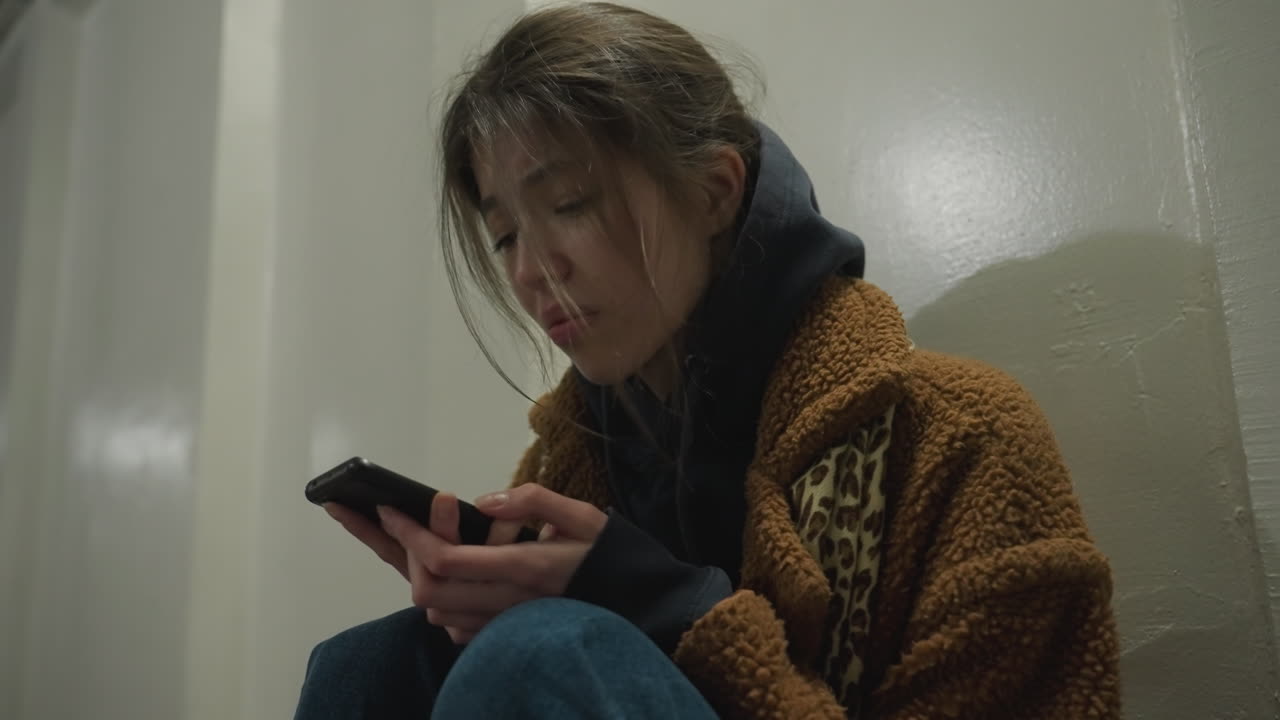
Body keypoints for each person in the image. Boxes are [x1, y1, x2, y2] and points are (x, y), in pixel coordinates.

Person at [294, 3, 1121, 718]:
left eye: (569, 204)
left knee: (544, 651)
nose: (530, 271)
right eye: (505, 233)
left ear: (717, 189)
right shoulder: (569, 466)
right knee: (365, 668)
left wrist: (665, 608)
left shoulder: (958, 437)